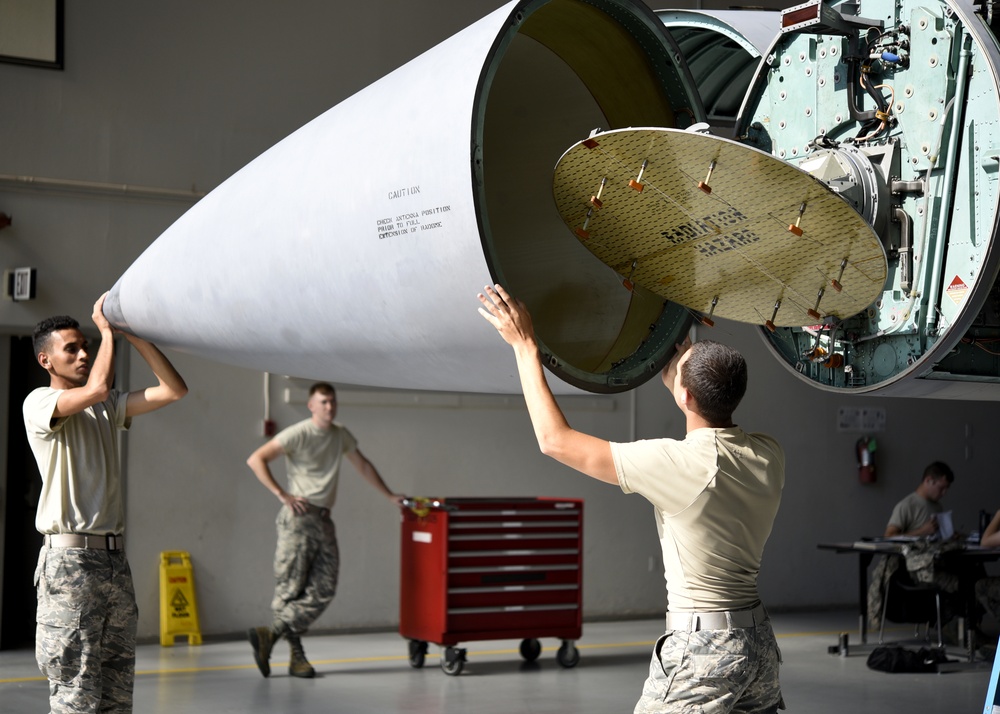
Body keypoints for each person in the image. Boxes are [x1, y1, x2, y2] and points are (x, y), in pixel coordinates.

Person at [477, 284, 785, 713]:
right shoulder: (768, 454)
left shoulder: (676, 464)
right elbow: (711, 423)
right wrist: (684, 384)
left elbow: (555, 441)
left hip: (705, 650)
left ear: (685, 396)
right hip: (758, 645)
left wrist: (525, 346)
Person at [23, 293, 188, 713]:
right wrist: (106, 328)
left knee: (117, 694)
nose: (83, 354)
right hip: (69, 567)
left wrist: (135, 337)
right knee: (75, 694)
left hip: (114, 563)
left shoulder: (106, 408)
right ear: (47, 361)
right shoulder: (39, 403)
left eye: (87, 346)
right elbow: (97, 387)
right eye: (72, 349)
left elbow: (173, 390)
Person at [246, 382, 402, 679]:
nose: (330, 407)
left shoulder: (339, 434)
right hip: (299, 519)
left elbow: (364, 465)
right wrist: (283, 495)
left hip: (323, 519)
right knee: (291, 589)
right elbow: (256, 459)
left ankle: (272, 633)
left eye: (333, 401)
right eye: (324, 402)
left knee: (324, 587)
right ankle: (297, 658)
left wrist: (389, 495)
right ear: (311, 405)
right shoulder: (299, 432)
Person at [884, 461, 954, 538]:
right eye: (941, 488)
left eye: (946, 489)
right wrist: (922, 531)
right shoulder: (906, 506)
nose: (944, 493)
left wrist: (950, 535)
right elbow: (888, 537)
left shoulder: (938, 506)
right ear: (928, 480)